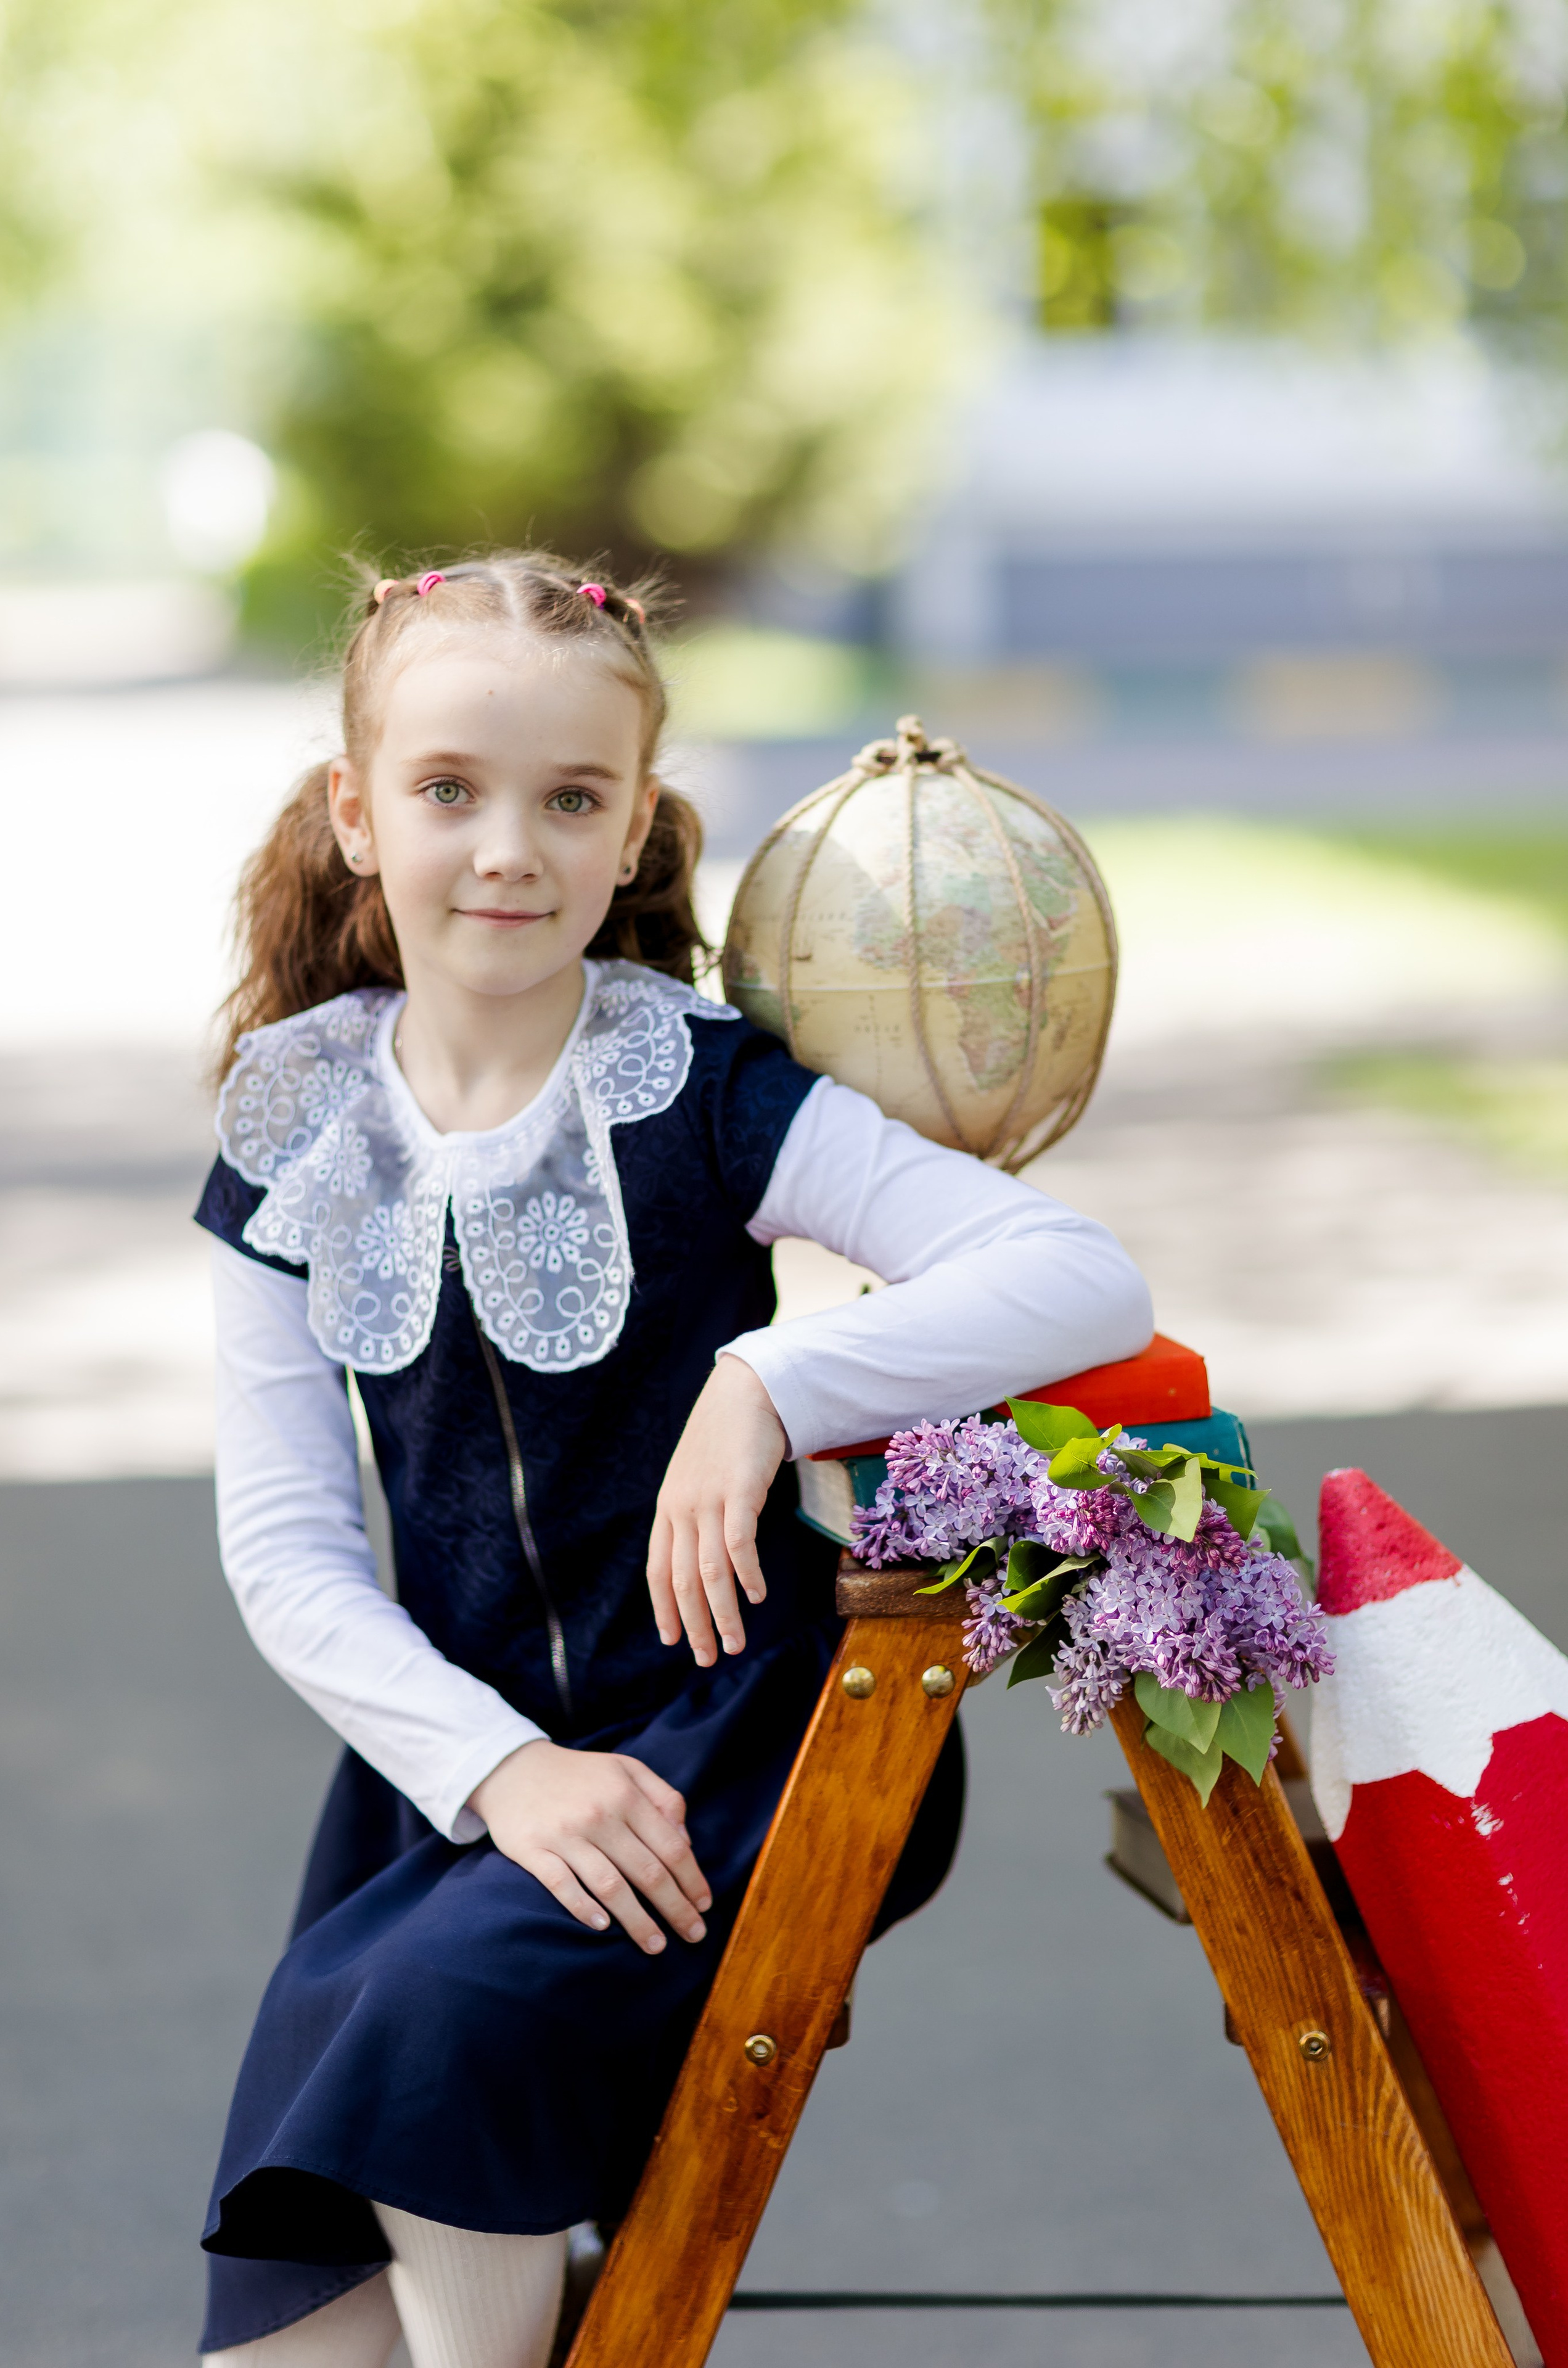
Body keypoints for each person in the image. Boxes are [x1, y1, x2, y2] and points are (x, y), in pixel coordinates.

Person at [194, 551, 1153, 2368]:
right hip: (452, 1774)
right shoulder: (295, 1124)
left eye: (570, 800)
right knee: (295, 2339)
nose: (509, 851)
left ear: (638, 828)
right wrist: (499, 1775)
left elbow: (1079, 1272)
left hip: (742, 1736)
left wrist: (776, 1377)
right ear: (354, 810)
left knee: (441, 2031)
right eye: (448, 791)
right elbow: (291, 1556)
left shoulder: (703, 1091)